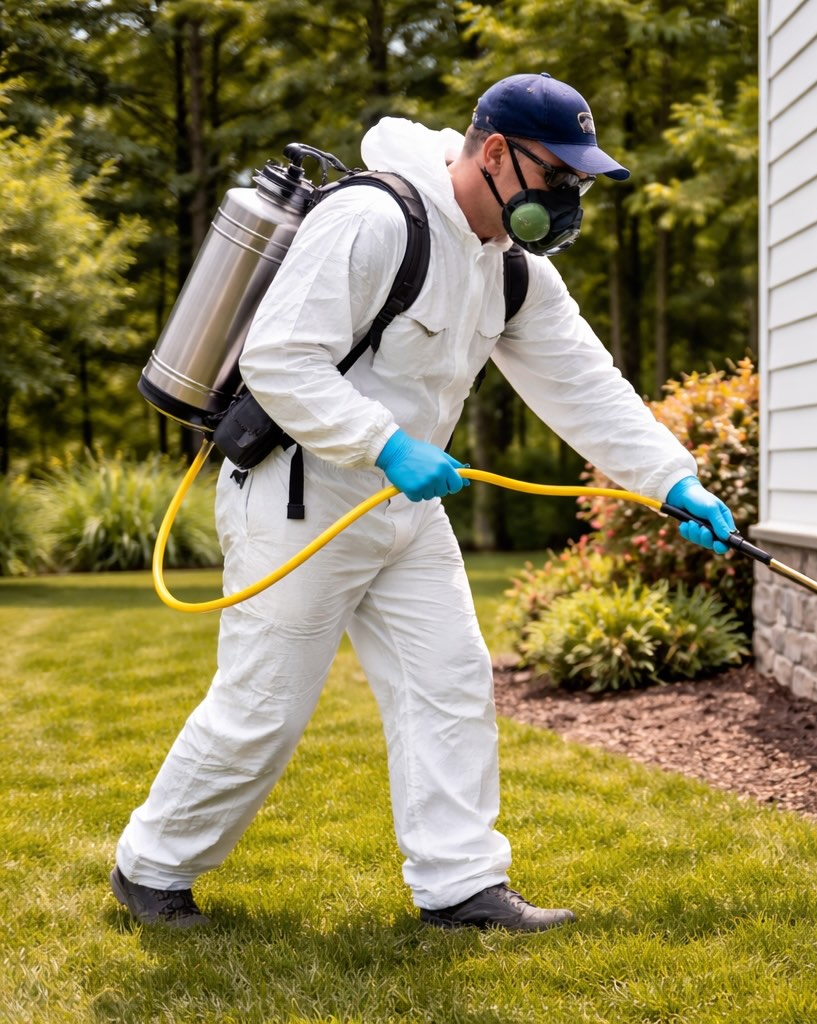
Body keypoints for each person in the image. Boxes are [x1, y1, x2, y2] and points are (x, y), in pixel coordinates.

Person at [111, 73, 737, 932]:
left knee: (449, 682)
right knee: (264, 708)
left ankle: (461, 887)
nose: (567, 199)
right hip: (303, 495)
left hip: (404, 511)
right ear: (493, 153)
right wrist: (386, 443)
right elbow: (280, 359)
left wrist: (674, 479)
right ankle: (151, 869)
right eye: (558, 177)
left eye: (578, 184)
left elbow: (588, 386)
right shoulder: (374, 220)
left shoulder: (513, 272)